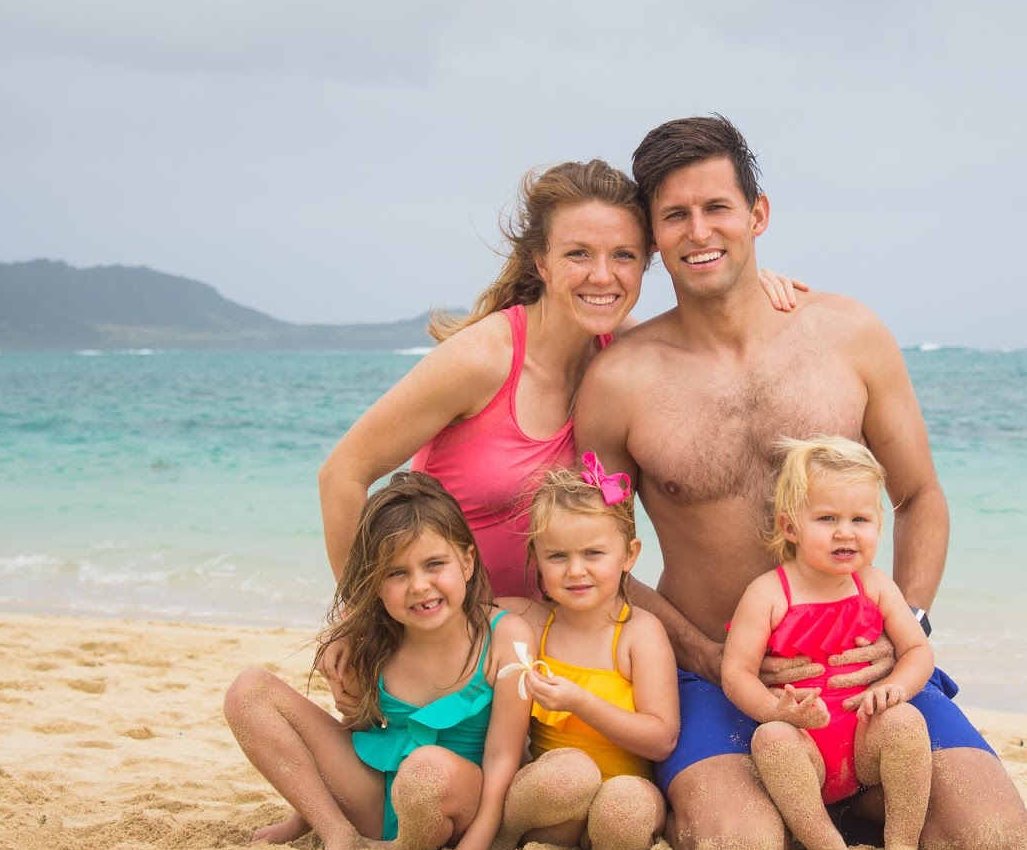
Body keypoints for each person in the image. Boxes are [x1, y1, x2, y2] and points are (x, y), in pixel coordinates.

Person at [573, 114, 1027, 850]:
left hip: (861, 671)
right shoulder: (619, 380)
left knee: (999, 846)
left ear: (758, 213)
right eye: (675, 215)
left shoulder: (849, 335)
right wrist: (710, 658)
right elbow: (599, 558)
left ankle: (840, 796)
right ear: (653, 238)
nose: (699, 231)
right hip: (714, 676)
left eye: (717, 207)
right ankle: (753, 800)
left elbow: (920, 496)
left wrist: (907, 629)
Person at [315, 159, 798, 707]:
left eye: (624, 255)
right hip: (446, 651)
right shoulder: (482, 360)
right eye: (578, 254)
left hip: (556, 657)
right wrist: (360, 622)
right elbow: (342, 474)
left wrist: (754, 288)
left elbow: (711, 339)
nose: (603, 276)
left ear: (647, 262)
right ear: (541, 262)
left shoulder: (626, 358)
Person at [223, 472, 533, 850]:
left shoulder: (506, 637)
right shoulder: (373, 641)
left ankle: (404, 849)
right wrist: (304, 817)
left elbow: (503, 758)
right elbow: (359, 735)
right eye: (396, 573)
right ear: (375, 583)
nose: (419, 586)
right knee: (248, 690)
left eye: (434, 564)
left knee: (425, 767)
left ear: (467, 561)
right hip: (378, 801)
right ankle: (336, 834)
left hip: (456, 804)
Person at [721, 436, 933, 850]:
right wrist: (776, 711)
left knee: (906, 720)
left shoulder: (875, 585)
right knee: (771, 739)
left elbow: (917, 651)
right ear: (790, 527)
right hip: (804, 748)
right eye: (827, 518)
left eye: (861, 519)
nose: (845, 532)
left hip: (864, 740)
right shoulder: (769, 593)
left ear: (878, 526)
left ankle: (902, 846)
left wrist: (894, 686)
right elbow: (736, 673)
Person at [490, 453, 679, 850]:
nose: (576, 571)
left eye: (593, 553)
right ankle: (504, 837)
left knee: (626, 807)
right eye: (557, 556)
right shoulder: (530, 621)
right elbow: (454, 614)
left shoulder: (639, 633)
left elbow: (661, 740)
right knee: (570, 774)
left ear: (629, 555)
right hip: (555, 804)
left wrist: (580, 703)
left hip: (623, 796)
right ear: (536, 558)